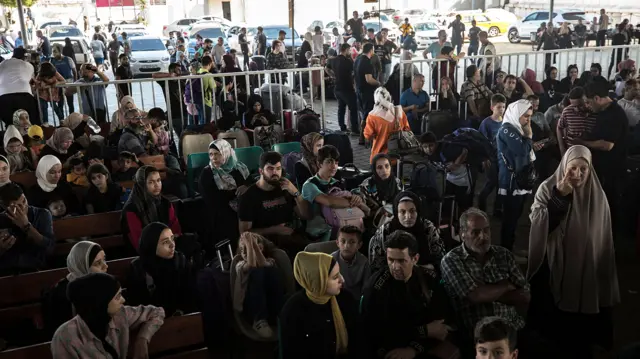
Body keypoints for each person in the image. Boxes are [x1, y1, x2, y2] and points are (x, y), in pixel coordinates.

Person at [527, 145, 620, 358]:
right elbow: (539, 227)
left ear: (590, 170)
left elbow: (602, 239)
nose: (577, 174)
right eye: (572, 168)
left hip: (588, 264)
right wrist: (560, 196)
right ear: (564, 166)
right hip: (554, 262)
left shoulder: (597, 196)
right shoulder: (547, 188)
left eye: (583, 169)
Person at [441, 208, 530, 350]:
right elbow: (475, 296)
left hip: (513, 329)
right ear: (462, 234)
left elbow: (525, 296)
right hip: (478, 337)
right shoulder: (452, 260)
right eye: (475, 232)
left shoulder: (503, 255)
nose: (483, 236)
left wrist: (485, 291)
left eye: (486, 230)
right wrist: (506, 286)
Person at [363, 230, 453, 358]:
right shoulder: (376, 288)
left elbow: (440, 325)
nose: (395, 266)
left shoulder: (429, 279)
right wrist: (424, 331)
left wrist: (414, 349)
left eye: (401, 261)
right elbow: (376, 330)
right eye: (391, 260)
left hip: (425, 346)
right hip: (389, 349)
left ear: (415, 259)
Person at [50, 273, 165, 359]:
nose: (123, 300)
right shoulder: (65, 337)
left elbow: (157, 312)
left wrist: (142, 339)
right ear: (101, 302)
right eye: (117, 296)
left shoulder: (120, 315)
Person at [279, 251, 359, 359]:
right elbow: (293, 353)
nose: (342, 280)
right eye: (335, 277)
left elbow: (359, 340)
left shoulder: (345, 299)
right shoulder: (294, 310)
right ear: (318, 280)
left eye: (339, 273)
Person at [579, 78, 629, 225]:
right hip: (602, 167)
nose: (588, 106)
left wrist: (582, 142)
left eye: (589, 102)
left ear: (597, 98)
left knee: (608, 206)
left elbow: (607, 145)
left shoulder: (615, 115)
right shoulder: (603, 110)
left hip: (612, 170)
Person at [238, 151, 310, 250]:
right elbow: (244, 233)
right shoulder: (249, 196)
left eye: (278, 168)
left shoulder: (286, 188)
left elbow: (305, 215)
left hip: (291, 238)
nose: (275, 172)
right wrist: (274, 230)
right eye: (270, 169)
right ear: (261, 171)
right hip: (264, 243)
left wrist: (295, 192)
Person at [128, 222, 197, 316]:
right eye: (165, 242)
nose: (172, 245)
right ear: (152, 245)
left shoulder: (180, 260)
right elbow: (137, 307)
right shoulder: (139, 269)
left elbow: (191, 298)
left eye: (172, 239)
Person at [302, 145, 370, 239]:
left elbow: (342, 203)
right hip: (319, 232)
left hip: (338, 225)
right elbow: (329, 202)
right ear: (319, 164)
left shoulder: (337, 183)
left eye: (336, 162)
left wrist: (356, 198)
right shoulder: (310, 185)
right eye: (329, 162)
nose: (334, 166)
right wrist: (353, 201)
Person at [369, 191, 444, 275]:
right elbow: (376, 266)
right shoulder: (385, 231)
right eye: (402, 212)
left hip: (423, 275)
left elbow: (440, 260)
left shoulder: (427, 228)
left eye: (412, 211)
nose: (408, 216)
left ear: (418, 211)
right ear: (396, 213)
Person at [42, 241, 108, 335]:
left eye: (104, 260)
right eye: (98, 263)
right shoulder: (62, 294)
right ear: (82, 265)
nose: (106, 266)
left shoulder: (104, 285)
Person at [496, 99, 535, 250]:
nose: (528, 120)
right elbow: (522, 150)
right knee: (510, 218)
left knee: (516, 215)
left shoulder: (517, 129)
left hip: (520, 179)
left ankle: (509, 248)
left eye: (530, 116)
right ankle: (506, 250)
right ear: (516, 114)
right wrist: (529, 136)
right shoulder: (507, 129)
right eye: (526, 116)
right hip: (512, 182)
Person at [233, 232, 284, 338]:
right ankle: (259, 321)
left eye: (249, 247)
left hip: (269, 306)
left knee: (271, 270)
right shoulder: (240, 265)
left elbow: (263, 264)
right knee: (256, 271)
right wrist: (250, 244)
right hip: (251, 310)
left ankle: (280, 315)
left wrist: (253, 245)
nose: (246, 252)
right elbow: (251, 265)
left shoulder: (270, 260)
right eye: (243, 249)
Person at [199, 140, 251, 244]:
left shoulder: (239, 168)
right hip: (222, 211)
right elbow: (211, 199)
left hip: (244, 206)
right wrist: (234, 195)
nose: (214, 158)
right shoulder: (208, 173)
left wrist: (247, 187)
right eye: (211, 154)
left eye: (218, 154)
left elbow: (251, 184)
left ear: (227, 153)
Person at [121, 166, 182, 250]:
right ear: (142, 184)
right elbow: (138, 241)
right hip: (145, 253)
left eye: (158, 180)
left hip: (169, 246)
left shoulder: (165, 202)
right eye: (151, 182)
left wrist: (173, 241)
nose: (157, 185)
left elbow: (175, 227)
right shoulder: (132, 209)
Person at [0, 183, 55, 276]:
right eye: (17, 206)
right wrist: (1, 248)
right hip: (6, 271)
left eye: (24, 201)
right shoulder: (1, 220)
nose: (23, 207)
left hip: (36, 268)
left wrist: (26, 226)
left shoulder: (42, 214)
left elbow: (49, 248)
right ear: (5, 207)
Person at [363, 87, 411, 161]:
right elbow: (407, 130)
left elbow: (368, 136)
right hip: (397, 156)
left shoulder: (372, 116)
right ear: (390, 99)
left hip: (379, 157)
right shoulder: (400, 112)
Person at [478, 94, 506, 214]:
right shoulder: (486, 123)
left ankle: (498, 208)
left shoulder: (505, 122)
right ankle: (481, 201)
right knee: (492, 181)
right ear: (492, 107)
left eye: (503, 107)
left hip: (502, 158)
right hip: (491, 158)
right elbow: (481, 142)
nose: (501, 110)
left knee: (501, 183)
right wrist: (484, 158)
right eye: (499, 107)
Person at [0, 48, 40, 127]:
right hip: (24, 96)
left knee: (10, 125)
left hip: (4, 98)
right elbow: (31, 81)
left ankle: (13, 137)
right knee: (31, 123)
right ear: (24, 56)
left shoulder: (2, 64)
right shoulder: (28, 65)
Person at [331, 225, 369, 299]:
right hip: (336, 299)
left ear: (359, 245)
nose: (346, 246)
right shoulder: (331, 260)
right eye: (343, 241)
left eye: (352, 242)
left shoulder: (364, 262)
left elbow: (366, 288)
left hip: (355, 300)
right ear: (337, 243)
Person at [327, 43, 358, 133]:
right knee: (353, 108)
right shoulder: (348, 61)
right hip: (347, 88)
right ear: (346, 50)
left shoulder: (333, 60)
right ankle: (355, 129)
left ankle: (342, 127)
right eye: (350, 50)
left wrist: (333, 76)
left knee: (341, 108)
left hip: (337, 88)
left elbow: (327, 69)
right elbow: (354, 73)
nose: (351, 52)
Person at [354, 43, 381, 143]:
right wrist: (379, 83)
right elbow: (369, 79)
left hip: (359, 90)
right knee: (367, 114)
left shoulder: (357, 59)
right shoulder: (367, 62)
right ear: (371, 50)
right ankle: (362, 136)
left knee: (363, 113)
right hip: (367, 91)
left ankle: (364, 135)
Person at [50, 44, 77, 115]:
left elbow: (74, 71)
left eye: (55, 51)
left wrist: (75, 82)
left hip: (68, 82)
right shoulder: (52, 61)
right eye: (53, 52)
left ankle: (72, 119)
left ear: (60, 51)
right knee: (60, 103)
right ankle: (61, 120)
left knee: (70, 103)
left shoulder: (68, 59)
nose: (54, 53)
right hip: (58, 84)